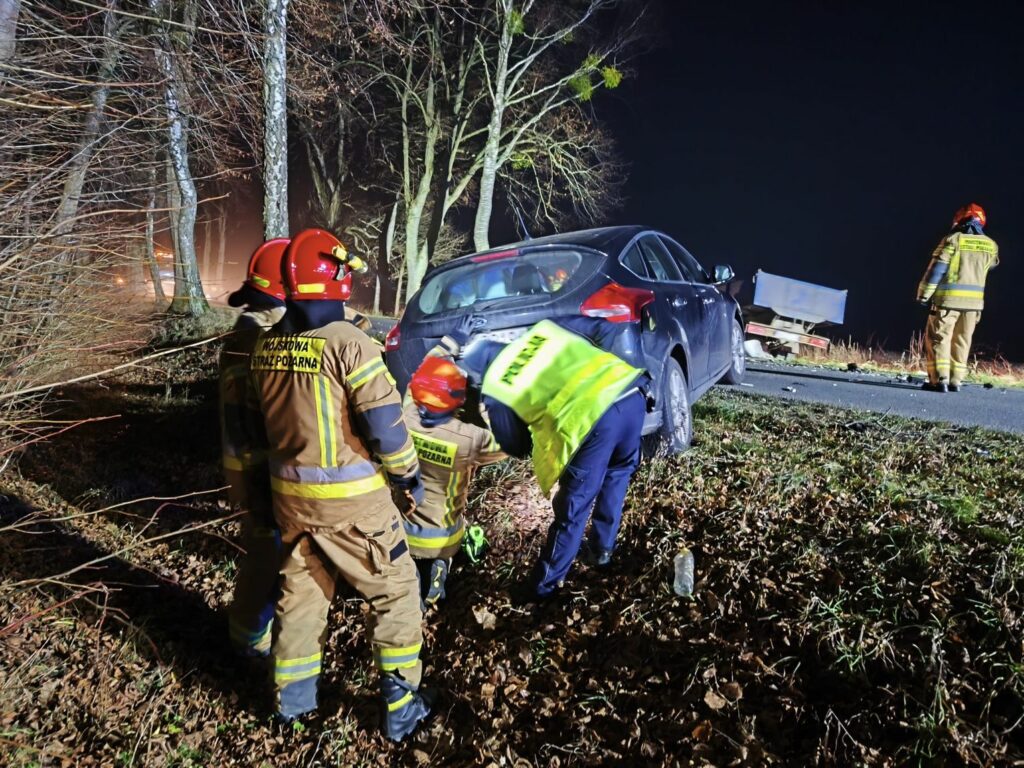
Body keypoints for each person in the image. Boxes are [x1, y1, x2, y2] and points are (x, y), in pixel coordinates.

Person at [249, 228, 433, 740]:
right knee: (396, 595)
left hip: (291, 504)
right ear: (334, 276)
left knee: (301, 598)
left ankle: (293, 705)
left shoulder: (266, 348)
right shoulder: (350, 345)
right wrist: (408, 477)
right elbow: (385, 426)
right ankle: (403, 711)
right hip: (355, 509)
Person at [451, 314, 651, 601]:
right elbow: (605, 327)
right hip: (631, 392)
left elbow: (516, 444)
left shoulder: (496, 384)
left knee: (573, 508)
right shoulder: (542, 330)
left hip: (594, 420)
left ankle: (541, 588)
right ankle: (601, 550)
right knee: (617, 473)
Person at [221, 239, 289, 657]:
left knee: (268, 551)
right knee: (269, 555)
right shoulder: (257, 341)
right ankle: (247, 641)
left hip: (251, 465)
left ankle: (250, 632)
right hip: (260, 469)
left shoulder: (248, 330)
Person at [402, 355, 506, 609]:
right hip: (442, 538)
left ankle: (411, 590)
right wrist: (487, 407)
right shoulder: (470, 439)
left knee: (406, 577)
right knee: (444, 550)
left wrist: (448, 345)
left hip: (403, 531)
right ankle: (437, 578)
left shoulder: (406, 415)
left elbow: (415, 379)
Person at [917, 203, 999, 392]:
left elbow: (936, 271)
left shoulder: (952, 240)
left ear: (959, 220)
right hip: (974, 306)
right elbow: (992, 265)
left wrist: (923, 295)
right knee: (963, 340)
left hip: (947, 302)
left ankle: (939, 380)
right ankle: (955, 381)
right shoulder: (991, 245)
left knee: (939, 338)